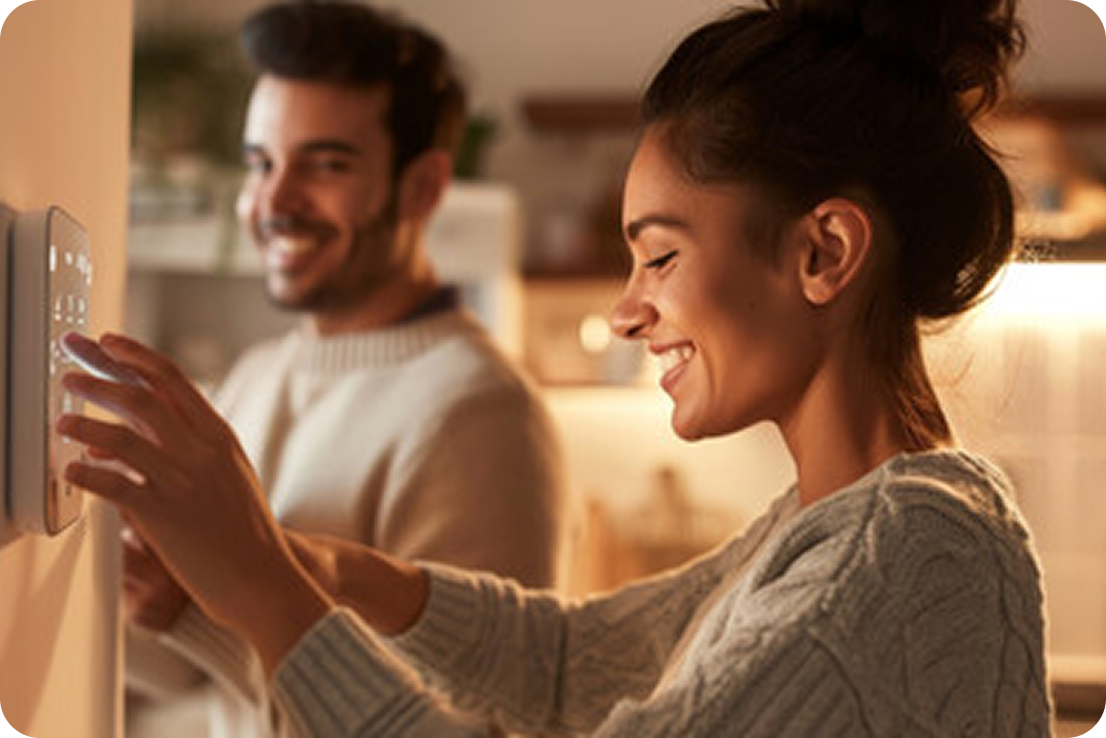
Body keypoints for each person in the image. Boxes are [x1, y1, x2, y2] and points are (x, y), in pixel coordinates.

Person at [61, 0, 1053, 734]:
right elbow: (569, 665)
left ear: (821, 253)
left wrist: (262, 588)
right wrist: (292, 568)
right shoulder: (819, 532)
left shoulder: (907, 551)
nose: (626, 311)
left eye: (659, 256)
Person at [120, 2, 566, 736]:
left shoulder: (482, 413)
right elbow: (194, 671)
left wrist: (208, 616)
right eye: (262, 162)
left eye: (326, 165)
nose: (276, 202)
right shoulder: (258, 374)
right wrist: (143, 593)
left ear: (422, 188)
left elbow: (465, 728)